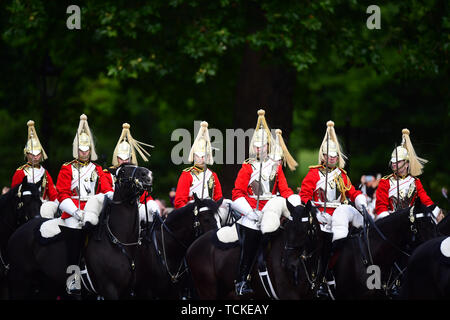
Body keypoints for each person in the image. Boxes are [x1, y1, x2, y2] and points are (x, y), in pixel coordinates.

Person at [231, 110, 300, 296]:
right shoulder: (247, 167)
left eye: (263, 146)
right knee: (251, 238)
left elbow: (285, 190)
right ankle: (242, 279)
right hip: (252, 211)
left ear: (268, 147)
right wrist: (249, 212)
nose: (260, 149)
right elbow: (237, 192)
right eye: (257, 146)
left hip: (273, 210)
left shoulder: (276, 167)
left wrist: (293, 204)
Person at [299, 120, 367, 298]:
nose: (332, 158)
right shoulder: (313, 174)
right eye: (329, 156)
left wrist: (361, 201)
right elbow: (305, 196)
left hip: (341, 216)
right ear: (322, 156)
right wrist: (316, 212)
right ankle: (322, 276)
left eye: (335, 156)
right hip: (321, 217)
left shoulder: (342, 175)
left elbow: (352, 192)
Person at [55, 114, 113, 295]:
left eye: (87, 150)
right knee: (74, 239)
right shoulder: (67, 168)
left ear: (91, 150)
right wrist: (75, 212)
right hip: (73, 210)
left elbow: (106, 190)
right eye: (81, 150)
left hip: (94, 209)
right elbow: (61, 193)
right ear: (76, 149)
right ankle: (73, 280)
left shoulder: (98, 169)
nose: (84, 153)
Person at [375, 129, 442, 222]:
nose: (394, 164)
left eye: (398, 161)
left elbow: (426, 201)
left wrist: (436, 212)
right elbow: (381, 207)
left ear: (406, 164)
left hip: (411, 222)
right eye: (393, 161)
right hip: (392, 222)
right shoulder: (385, 181)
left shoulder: (415, 181)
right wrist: (389, 221)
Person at [104, 123, 159, 223]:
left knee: (151, 215)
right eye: (121, 158)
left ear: (130, 158)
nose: (124, 161)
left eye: (127, 158)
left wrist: (151, 204)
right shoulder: (107, 173)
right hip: (114, 208)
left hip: (132, 207)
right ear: (116, 158)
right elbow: (106, 192)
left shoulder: (135, 174)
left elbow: (144, 195)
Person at [174, 121, 224, 208]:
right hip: (192, 212)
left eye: (204, 156)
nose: (201, 159)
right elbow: (179, 201)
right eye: (198, 156)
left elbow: (218, 198)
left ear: (208, 157)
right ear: (193, 156)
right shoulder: (187, 174)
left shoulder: (213, 175)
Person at [11, 120, 58, 203]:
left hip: (42, 204)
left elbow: (52, 194)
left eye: (38, 154)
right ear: (27, 154)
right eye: (32, 154)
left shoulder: (44, 172)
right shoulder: (20, 172)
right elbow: (14, 194)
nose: (36, 157)